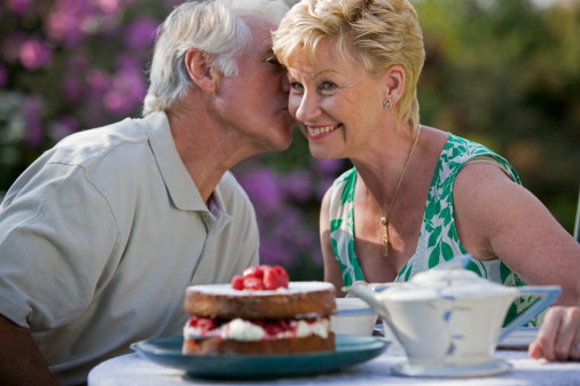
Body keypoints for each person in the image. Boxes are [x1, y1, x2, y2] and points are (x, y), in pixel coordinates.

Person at [0, 0, 293, 384]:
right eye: (275, 64)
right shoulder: (95, 175)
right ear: (203, 69)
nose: (293, 84)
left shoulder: (235, 208)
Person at [272, 0, 580, 358]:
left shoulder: (473, 189)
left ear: (392, 84)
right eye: (297, 85)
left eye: (327, 85)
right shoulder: (337, 205)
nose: (305, 111)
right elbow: (332, 342)